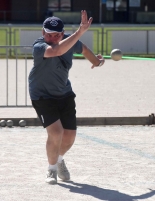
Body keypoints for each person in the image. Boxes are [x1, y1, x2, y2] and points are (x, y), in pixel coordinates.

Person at [29, 10, 105, 184]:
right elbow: (56, 51)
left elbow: (83, 49)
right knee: (56, 132)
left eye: (57, 35)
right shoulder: (39, 47)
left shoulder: (70, 41)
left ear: (63, 34)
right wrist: (80, 32)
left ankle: (59, 159)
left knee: (69, 136)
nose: (53, 38)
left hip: (64, 93)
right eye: (49, 35)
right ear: (43, 33)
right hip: (42, 96)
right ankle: (51, 169)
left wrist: (96, 62)